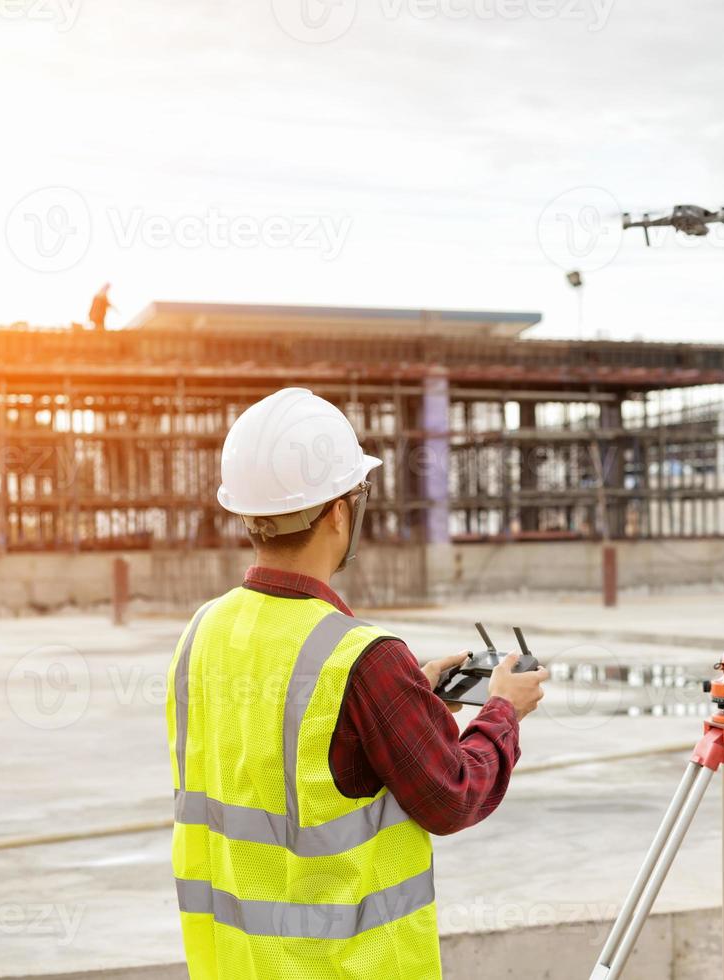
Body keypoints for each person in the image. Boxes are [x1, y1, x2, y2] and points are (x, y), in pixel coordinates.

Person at [165, 387, 547, 979]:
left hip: (235, 964)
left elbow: (281, 754)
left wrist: (405, 695)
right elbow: (452, 797)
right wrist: (502, 710)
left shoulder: (202, 631)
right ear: (341, 510)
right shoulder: (363, 659)